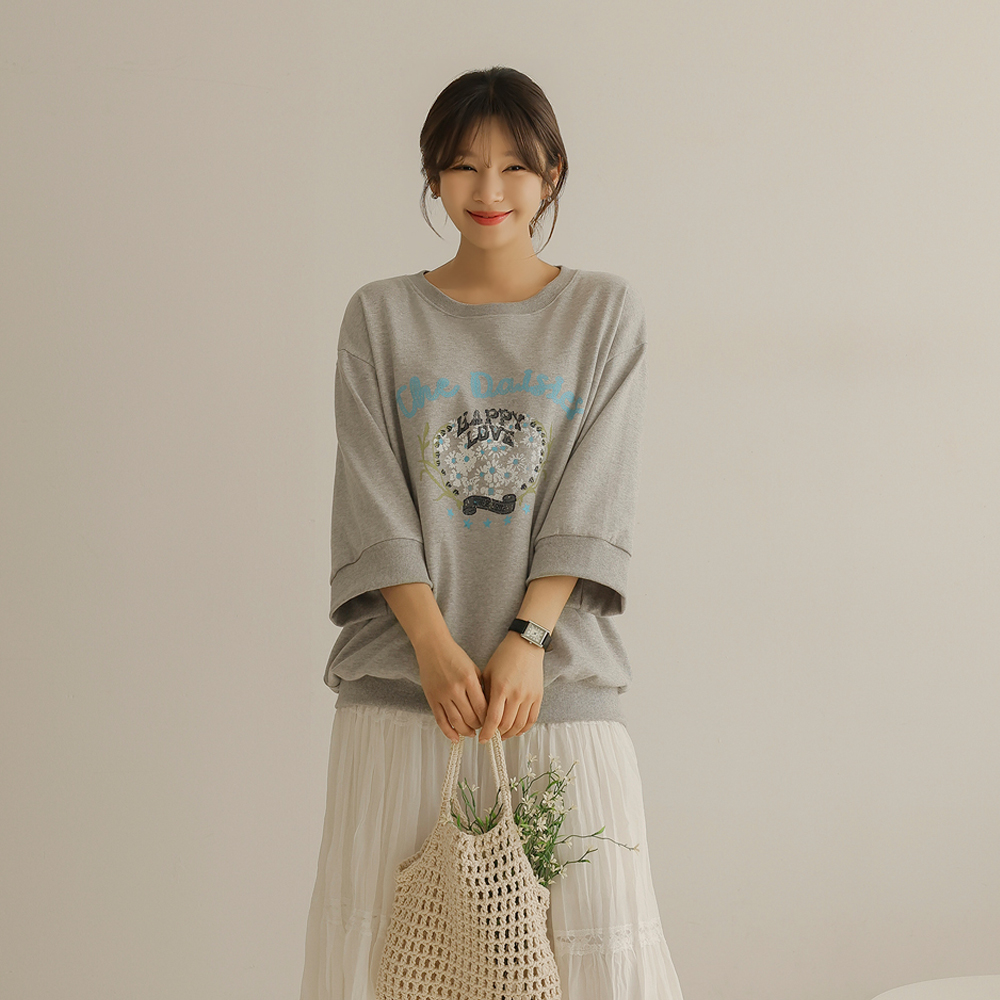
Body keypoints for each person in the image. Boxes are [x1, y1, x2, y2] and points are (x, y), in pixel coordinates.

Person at [299, 65, 684, 1000]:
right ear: (433, 173)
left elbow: (595, 495)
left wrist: (528, 638)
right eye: (464, 165)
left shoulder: (602, 313)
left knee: (586, 965)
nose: (489, 189)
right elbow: (372, 495)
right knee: (394, 967)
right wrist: (434, 648)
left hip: (556, 699)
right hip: (406, 701)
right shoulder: (381, 316)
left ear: (553, 173)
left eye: (515, 165)